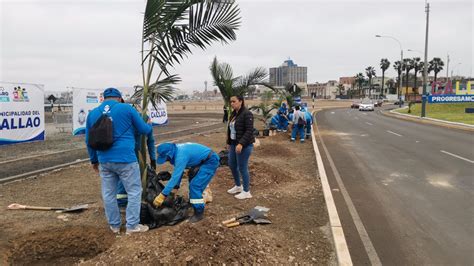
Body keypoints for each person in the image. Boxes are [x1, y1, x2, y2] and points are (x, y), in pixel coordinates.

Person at [85, 87, 152, 235]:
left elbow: (88, 141)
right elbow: (143, 130)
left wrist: (94, 161)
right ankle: (132, 226)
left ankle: (114, 226)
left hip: (104, 160)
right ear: (120, 98)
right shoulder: (126, 109)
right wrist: (149, 125)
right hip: (126, 159)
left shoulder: (93, 113)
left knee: (109, 194)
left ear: (103, 99)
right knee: (134, 191)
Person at [152, 142, 220, 223]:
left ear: (169, 154)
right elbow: (179, 172)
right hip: (201, 161)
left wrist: (162, 195)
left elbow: (175, 177)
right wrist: (176, 187)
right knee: (192, 179)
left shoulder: (180, 156)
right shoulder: (176, 151)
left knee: (195, 186)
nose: (166, 160)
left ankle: (199, 213)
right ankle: (193, 202)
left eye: (166, 158)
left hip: (210, 162)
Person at [116, 100, 156, 208]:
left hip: (128, 154)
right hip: (130, 155)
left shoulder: (124, 119)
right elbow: (150, 141)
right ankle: (122, 203)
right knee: (126, 179)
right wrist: (153, 159)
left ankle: (124, 202)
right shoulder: (144, 120)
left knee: (124, 179)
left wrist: (153, 159)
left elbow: (150, 141)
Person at [226, 95, 255, 200]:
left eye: (234, 101)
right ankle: (238, 186)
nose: (232, 103)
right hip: (234, 144)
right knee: (232, 165)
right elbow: (230, 130)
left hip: (244, 145)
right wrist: (228, 142)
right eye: (231, 102)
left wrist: (241, 144)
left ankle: (247, 191)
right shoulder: (233, 114)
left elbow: (249, 131)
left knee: (242, 167)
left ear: (241, 102)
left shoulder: (247, 114)